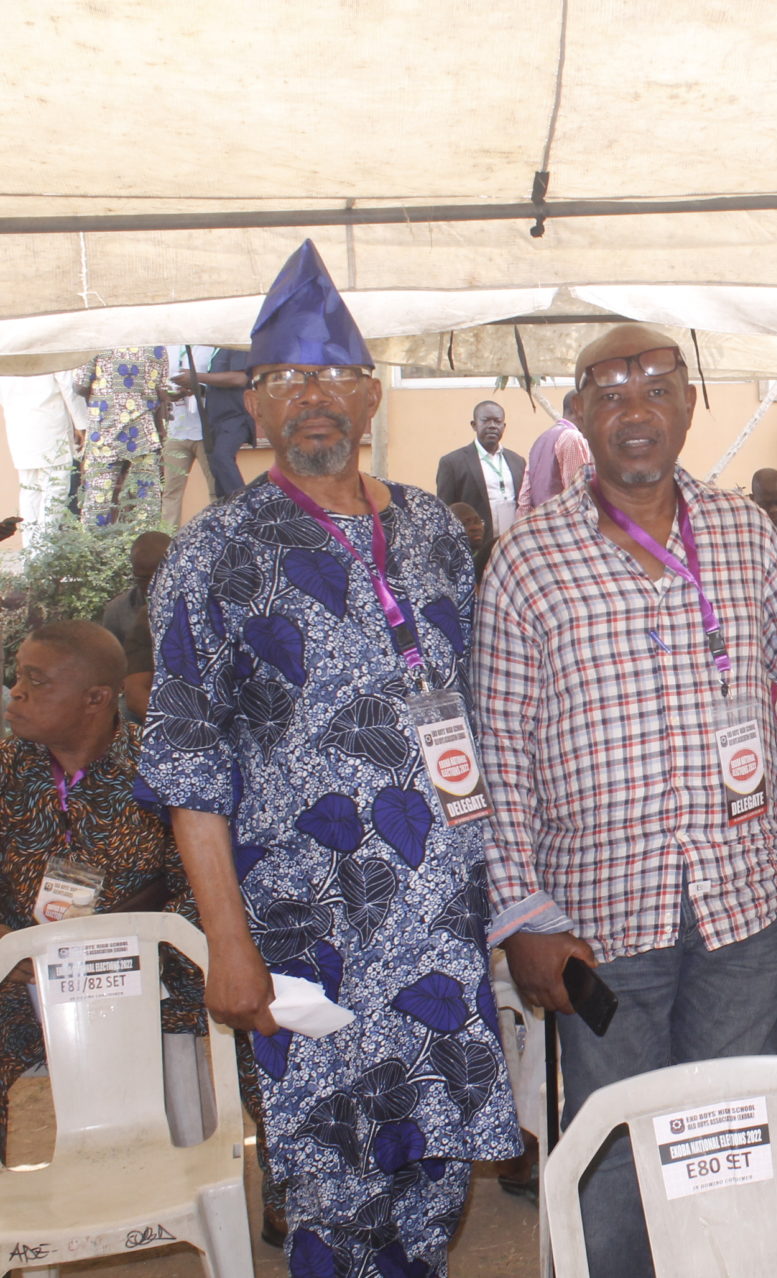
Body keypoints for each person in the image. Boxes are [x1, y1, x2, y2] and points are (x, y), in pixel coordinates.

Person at [139, 240, 519, 1277]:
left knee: (435, 1186)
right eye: (286, 378)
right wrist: (226, 942)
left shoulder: (434, 529)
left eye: (336, 375)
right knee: (332, 1200)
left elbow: (472, 707)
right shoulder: (212, 553)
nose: (313, 397)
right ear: (256, 406)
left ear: (371, 394)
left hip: (438, 922)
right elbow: (186, 763)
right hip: (307, 932)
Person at [475, 323, 777, 1278]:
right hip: (598, 923)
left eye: (657, 388)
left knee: (730, 1145)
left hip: (745, 904)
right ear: (579, 414)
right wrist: (523, 915)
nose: (636, 411)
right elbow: (500, 755)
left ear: (689, 405)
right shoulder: (526, 558)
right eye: (610, 394)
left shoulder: (745, 533)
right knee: (614, 1146)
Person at [0, 621, 202, 1156]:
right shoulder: (6, 769)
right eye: (18, 677)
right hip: (20, 976)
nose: (16, 692)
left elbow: (198, 887)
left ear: (95, 698)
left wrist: (130, 955)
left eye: (36, 681)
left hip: (147, 976)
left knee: (244, 1017)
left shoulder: (158, 770)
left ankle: (258, 1184)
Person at [76, 346, 168, 527]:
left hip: (104, 428)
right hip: (143, 430)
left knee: (98, 497)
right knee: (146, 498)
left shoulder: (99, 342)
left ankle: (92, 542)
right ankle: (143, 540)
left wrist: (103, 395)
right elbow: (163, 392)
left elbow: (79, 385)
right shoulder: (157, 346)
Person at [0, 371, 87, 547]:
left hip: (19, 426)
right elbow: (68, 387)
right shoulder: (52, 352)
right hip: (50, 426)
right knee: (55, 490)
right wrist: (82, 424)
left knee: (29, 490)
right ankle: (44, 552)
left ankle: (31, 552)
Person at [100, 530, 172, 718]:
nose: (153, 585)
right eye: (144, 578)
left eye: (160, 575)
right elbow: (110, 670)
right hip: (139, 699)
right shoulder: (118, 611)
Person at [173, 345, 256, 500]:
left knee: (222, 456)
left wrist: (196, 376)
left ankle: (244, 505)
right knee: (216, 467)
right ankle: (225, 508)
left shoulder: (235, 346)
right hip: (215, 418)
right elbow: (218, 387)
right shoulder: (215, 350)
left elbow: (240, 378)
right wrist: (196, 389)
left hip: (235, 416)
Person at [436, 400, 525, 544]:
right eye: (486, 420)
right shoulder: (452, 463)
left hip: (512, 544)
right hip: (476, 546)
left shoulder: (518, 461)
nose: (492, 425)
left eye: (497, 421)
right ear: (474, 425)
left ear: (504, 426)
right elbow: (444, 512)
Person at [159, 345, 216, 527]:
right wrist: (168, 394)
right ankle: (168, 537)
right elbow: (157, 384)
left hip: (206, 429)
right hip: (176, 429)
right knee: (171, 490)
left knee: (215, 488)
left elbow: (220, 382)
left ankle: (218, 532)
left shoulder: (210, 347)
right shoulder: (168, 347)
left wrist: (197, 387)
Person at [516, 391, 590, 513]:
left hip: (540, 519)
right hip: (563, 520)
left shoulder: (542, 438)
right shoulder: (573, 437)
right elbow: (577, 494)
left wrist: (525, 521)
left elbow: (524, 497)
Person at [447, 501, 492, 578]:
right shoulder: (445, 566)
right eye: (466, 523)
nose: (476, 527)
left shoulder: (489, 560)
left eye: (478, 521)